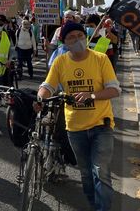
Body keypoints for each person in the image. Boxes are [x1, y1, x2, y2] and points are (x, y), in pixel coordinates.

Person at [37, 22, 120, 211]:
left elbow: (114, 90)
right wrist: (40, 97)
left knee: (101, 172)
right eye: (71, 37)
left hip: (102, 125)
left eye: (79, 35)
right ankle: (94, 206)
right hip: (75, 129)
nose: (77, 39)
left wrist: (91, 95)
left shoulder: (100, 59)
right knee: (86, 175)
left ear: (85, 36)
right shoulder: (60, 61)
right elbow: (48, 86)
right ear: (64, 42)